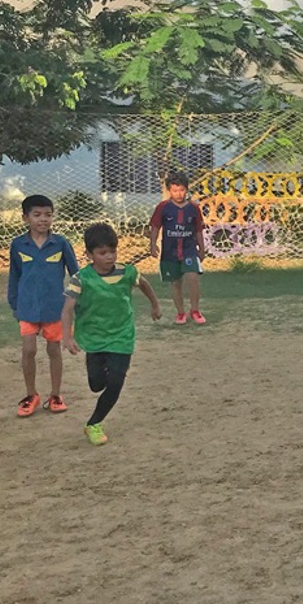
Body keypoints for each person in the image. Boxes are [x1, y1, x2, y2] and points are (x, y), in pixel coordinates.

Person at [61, 224, 162, 446]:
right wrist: (67, 336)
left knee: (115, 383)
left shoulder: (127, 272)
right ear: (89, 254)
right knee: (96, 385)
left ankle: (94, 424)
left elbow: (144, 285)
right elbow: (67, 308)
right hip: (94, 338)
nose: (109, 257)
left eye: (112, 251)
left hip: (122, 335)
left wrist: (155, 304)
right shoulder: (81, 278)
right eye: (102, 253)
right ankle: (98, 368)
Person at [7, 194, 80, 417]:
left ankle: (55, 395)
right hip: (27, 307)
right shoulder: (19, 244)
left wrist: (76, 301)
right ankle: (31, 395)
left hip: (54, 308)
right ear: (25, 218)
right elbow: (14, 276)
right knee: (28, 350)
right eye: (37, 215)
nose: (43, 219)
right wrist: (15, 304)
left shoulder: (60, 243)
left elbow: (76, 274)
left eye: (48, 215)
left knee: (53, 350)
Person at [148, 172, 207, 325]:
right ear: (169, 191)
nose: (178, 194)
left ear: (186, 190)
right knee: (175, 282)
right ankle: (180, 313)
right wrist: (152, 244)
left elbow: (199, 230)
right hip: (170, 251)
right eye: (175, 191)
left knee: (193, 278)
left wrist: (201, 248)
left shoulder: (193, 208)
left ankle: (195, 310)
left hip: (189, 250)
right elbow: (155, 226)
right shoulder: (163, 207)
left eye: (181, 190)